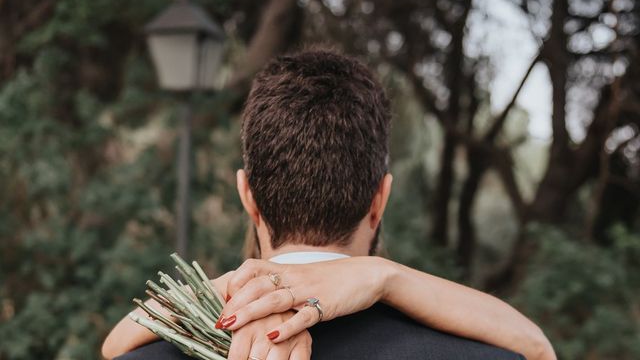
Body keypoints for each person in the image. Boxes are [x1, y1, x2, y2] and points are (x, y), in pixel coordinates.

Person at [102, 50, 555, 360]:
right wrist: (386, 277)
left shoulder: (143, 353)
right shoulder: (488, 355)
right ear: (380, 200)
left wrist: (226, 290)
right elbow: (539, 349)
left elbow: (112, 346)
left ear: (248, 197)